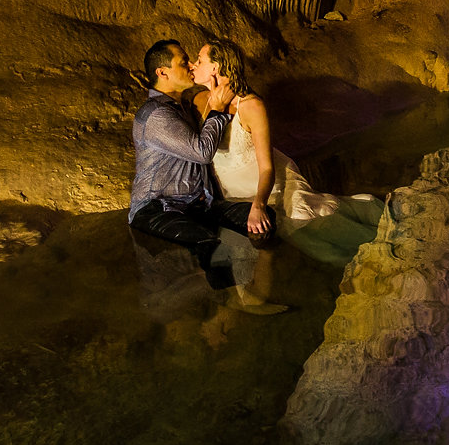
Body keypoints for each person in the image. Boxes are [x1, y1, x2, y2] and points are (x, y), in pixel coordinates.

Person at [189, 39, 387, 266]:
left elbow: (266, 167)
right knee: (318, 244)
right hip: (233, 194)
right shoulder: (199, 101)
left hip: (271, 188)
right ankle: (364, 224)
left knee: (311, 228)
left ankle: (383, 238)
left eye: (199, 60)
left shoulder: (251, 106)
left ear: (215, 68)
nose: (193, 65)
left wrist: (258, 204)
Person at [127, 38, 255, 284]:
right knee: (209, 242)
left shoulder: (181, 106)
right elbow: (202, 152)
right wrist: (217, 111)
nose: (190, 66)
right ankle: (229, 305)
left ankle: (256, 285)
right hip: (155, 208)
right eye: (183, 62)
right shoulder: (156, 114)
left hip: (197, 203)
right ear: (163, 72)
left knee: (258, 217)